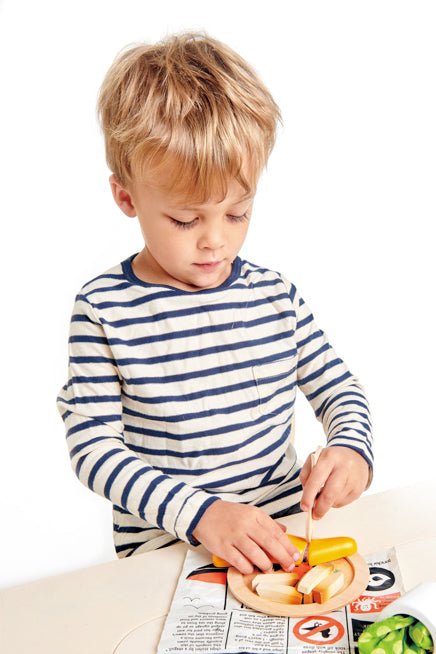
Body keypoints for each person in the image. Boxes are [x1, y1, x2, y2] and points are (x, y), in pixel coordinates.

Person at [57, 32, 373, 575]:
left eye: (237, 213)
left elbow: (339, 387)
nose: (215, 241)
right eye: (185, 219)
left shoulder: (274, 296)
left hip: (281, 543)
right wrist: (200, 514)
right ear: (126, 197)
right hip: (168, 556)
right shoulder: (104, 309)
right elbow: (92, 448)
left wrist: (351, 449)